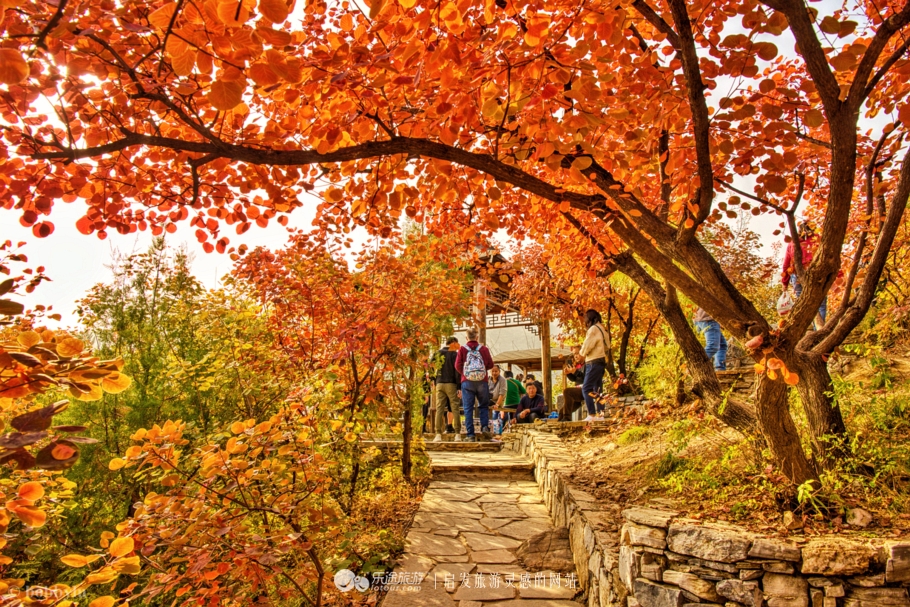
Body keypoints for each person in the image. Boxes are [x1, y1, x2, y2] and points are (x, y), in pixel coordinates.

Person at [781, 221, 827, 328]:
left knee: (803, 303)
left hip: (797, 275)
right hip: (816, 273)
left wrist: (785, 283)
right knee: (821, 304)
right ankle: (818, 330)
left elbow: (786, 264)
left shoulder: (793, 243)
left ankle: (813, 328)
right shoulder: (819, 240)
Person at [454, 328, 494, 442]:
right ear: (477, 337)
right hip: (482, 381)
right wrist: (481, 371)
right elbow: (491, 364)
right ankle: (485, 427)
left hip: (467, 382)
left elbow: (457, 365)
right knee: (483, 406)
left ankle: (470, 435)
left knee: (468, 408)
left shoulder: (462, 349)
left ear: (467, 338)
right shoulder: (484, 349)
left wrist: (465, 374)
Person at [579, 309, 608, 422]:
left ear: (590, 318)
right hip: (601, 360)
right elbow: (607, 346)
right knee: (598, 389)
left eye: (585, 318)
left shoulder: (593, 329)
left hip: (593, 361)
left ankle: (591, 414)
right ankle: (601, 415)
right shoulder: (602, 329)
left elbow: (588, 344)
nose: (584, 320)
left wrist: (582, 354)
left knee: (586, 388)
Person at [432, 337, 462, 442]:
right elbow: (457, 371)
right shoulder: (454, 354)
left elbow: (429, 366)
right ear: (453, 343)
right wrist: (459, 387)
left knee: (439, 408)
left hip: (439, 383)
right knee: (455, 408)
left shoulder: (437, 353)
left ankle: (438, 434)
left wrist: (434, 379)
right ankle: (458, 434)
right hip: (451, 383)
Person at [560, 346, 585, 421]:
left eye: (577, 353)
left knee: (567, 391)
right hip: (578, 390)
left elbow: (587, 378)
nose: (575, 356)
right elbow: (575, 379)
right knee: (561, 412)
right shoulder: (578, 365)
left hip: (586, 389)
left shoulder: (588, 364)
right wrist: (568, 374)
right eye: (574, 354)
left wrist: (575, 372)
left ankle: (567, 418)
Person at [488, 365, 507, 434]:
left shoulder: (503, 380)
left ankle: (497, 431)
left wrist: (497, 404)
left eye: (496, 371)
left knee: (497, 417)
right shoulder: (489, 379)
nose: (494, 373)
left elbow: (502, 394)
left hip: (498, 401)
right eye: (492, 371)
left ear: (499, 372)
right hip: (489, 400)